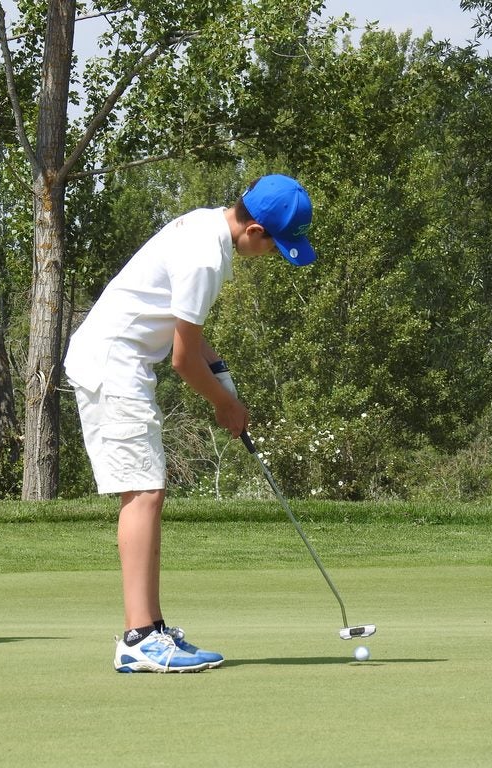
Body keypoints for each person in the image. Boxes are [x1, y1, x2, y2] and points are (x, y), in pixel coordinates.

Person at [64, 174, 316, 673]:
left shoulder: (206, 226)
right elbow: (182, 359)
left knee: (147, 491)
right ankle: (139, 638)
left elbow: (191, 335)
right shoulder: (207, 257)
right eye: (277, 246)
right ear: (256, 231)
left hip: (122, 361)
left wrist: (222, 377)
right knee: (143, 492)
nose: (272, 255)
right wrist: (225, 404)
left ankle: (153, 630)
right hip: (113, 365)